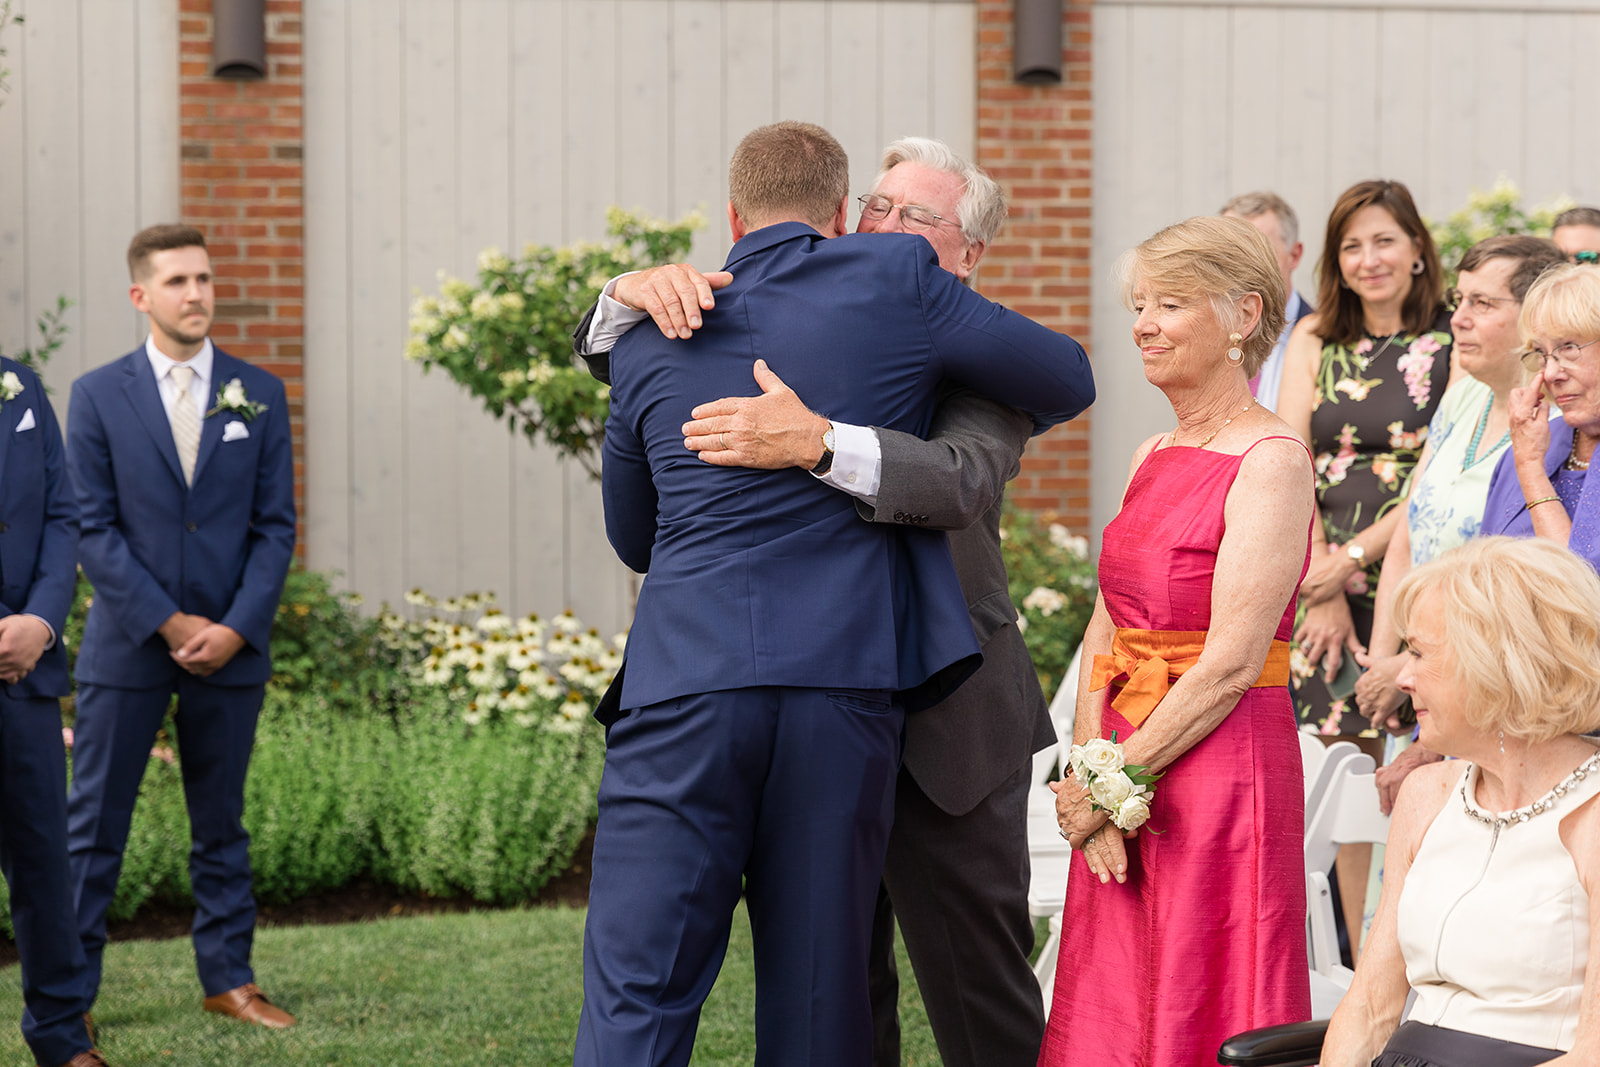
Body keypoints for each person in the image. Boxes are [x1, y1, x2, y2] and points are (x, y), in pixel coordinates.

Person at [578, 122, 1093, 1067]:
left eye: (918, 218)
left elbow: (970, 473)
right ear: (838, 215)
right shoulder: (685, 314)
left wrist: (820, 441)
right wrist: (613, 302)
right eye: (878, 208)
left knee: (971, 994)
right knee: (829, 992)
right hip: (834, 698)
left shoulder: (964, 346)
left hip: (940, 719)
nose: (891, 230)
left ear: (967, 252)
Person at [1039, 215, 1314, 1062]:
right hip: (1126, 759)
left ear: (1242, 317)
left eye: (1170, 303)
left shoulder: (1271, 457)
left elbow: (1231, 663)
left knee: (1206, 986)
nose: (1143, 324)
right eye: (1139, 305)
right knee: (1113, 999)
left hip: (1220, 770)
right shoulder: (1151, 449)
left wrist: (1119, 778)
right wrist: (1090, 776)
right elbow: (1105, 624)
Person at [65, 225, 297, 1029]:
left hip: (230, 651)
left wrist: (234, 627)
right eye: (176, 282)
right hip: (128, 645)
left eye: (203, 277)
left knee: (221, 823)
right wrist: (168, 621)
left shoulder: (258, 392)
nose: (196, 293)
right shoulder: (95, 395)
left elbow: (276, 528)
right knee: (93, 828)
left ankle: (229, 978)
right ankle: (70, 997)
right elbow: (91, 526)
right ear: (141, 296)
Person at [1320, 536, 1600, 1067]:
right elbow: (1372, 1007)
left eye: (1419, 653)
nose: (1401, 677)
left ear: (1496, 663)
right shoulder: (1427, 795)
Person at [1356, 237, 1564, 812]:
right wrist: (1384, 663)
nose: (1459, 318)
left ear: (1534, 318)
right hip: (1416, 680)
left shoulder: (1556, 426)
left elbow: (1513, 582)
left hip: (1488, 688)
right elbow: (1407, 530)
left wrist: (1410, 663)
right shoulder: (1463, 395)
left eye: (1484, 304)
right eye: (1459, 299)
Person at [1279, 179, 1455, 741]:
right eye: (1352, 247)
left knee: (1417, 742)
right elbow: (1290, 458)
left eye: (1385, 241)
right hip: (1319, 566)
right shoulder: (1313, 336)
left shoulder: (1456, 337)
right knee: (1335, 752)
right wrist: (1322, 577)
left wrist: (1351, 560)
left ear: (1418, 249)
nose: (1369, 260)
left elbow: (1442, 472)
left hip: (1417, 566)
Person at [0, 358, 108, 1067]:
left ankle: (64, 1037)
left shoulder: (19, 385)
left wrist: (40, 619)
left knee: (43, 859)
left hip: (23, 676)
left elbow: (61, 513)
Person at [1481, 262, 1600, 570]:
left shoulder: (1527, 455)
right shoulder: (1529, 446)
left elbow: (1580, 590)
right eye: (1542, 354)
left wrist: (1532, 470)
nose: (1550, 373)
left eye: (1569, 348)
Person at [1221, 190, 1315, 411]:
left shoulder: (1328, 339)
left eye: (1260, 250)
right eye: (1230, 252)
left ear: (1294, 255)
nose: (1242, 264)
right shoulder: (1207, 337)